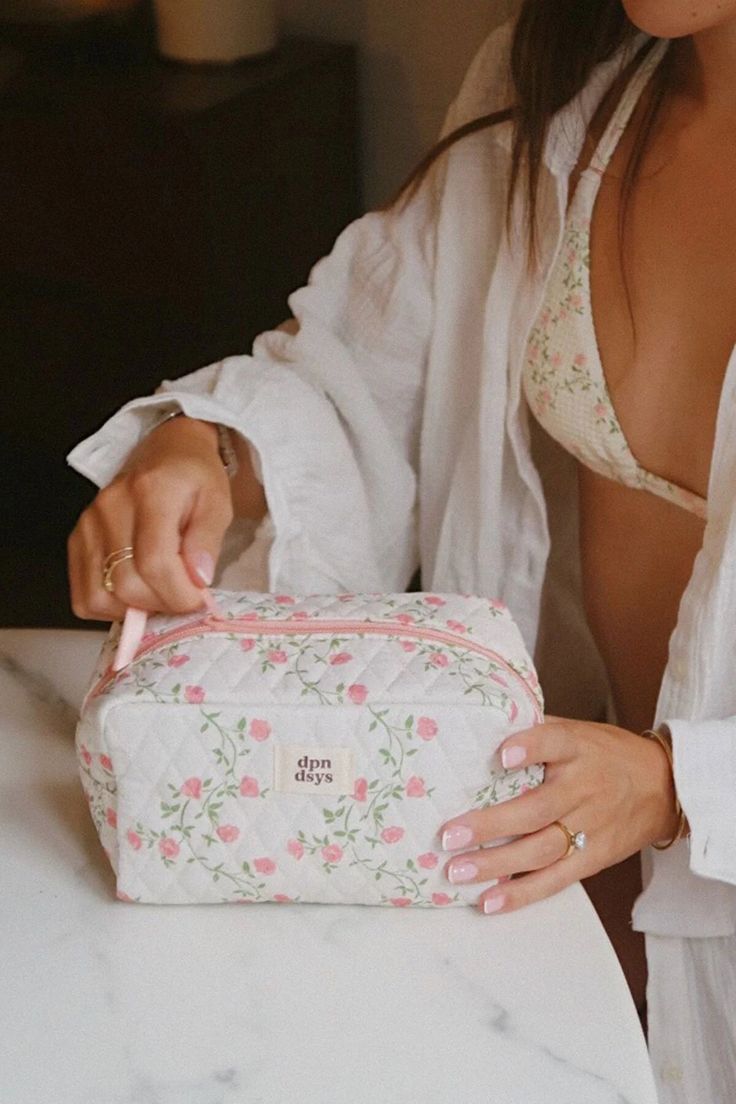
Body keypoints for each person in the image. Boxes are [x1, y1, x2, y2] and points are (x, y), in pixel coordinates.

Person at [66, 2, 736, 1099]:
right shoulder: (566, 86)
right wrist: (208, 453)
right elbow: (359, 377)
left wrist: (680, 787)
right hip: (541, 878)